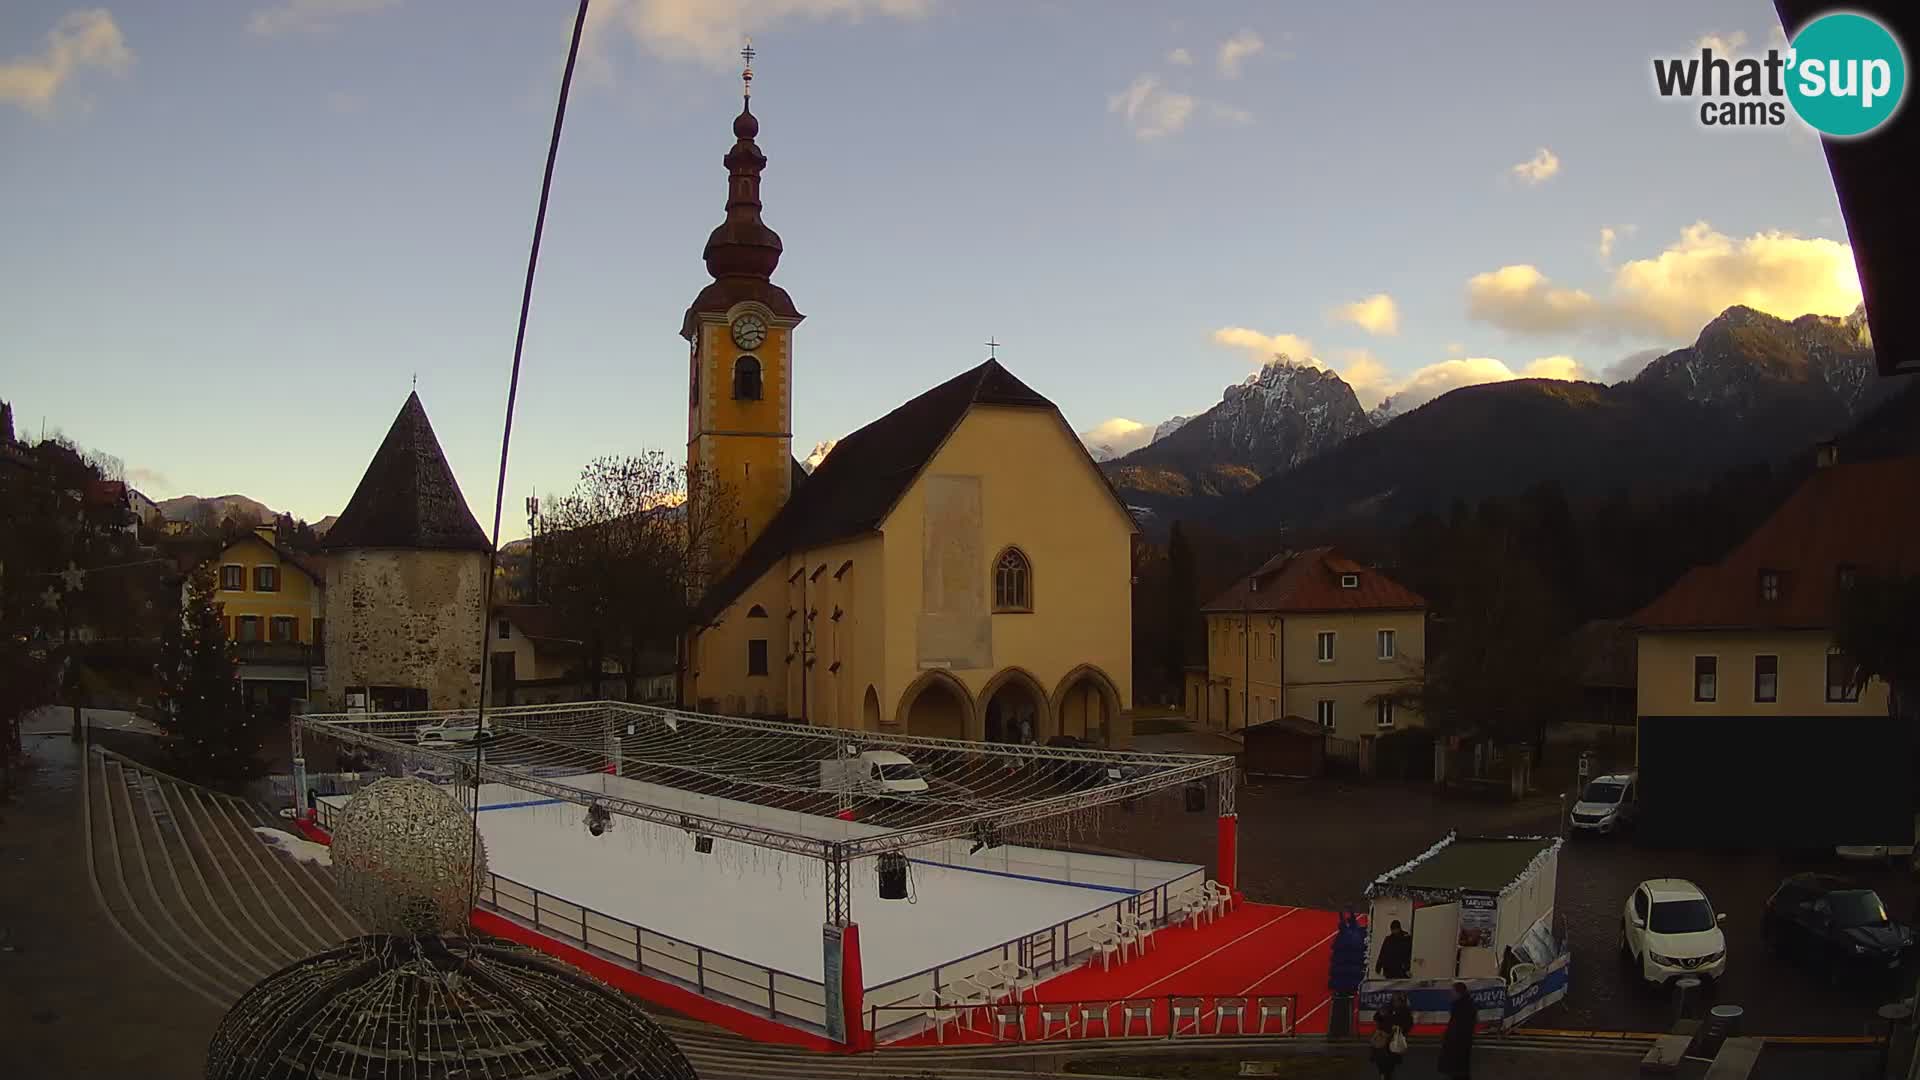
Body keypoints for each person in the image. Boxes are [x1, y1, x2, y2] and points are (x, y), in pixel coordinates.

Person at [1439, 981, 1477, 1079]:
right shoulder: (1464, 1005)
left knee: (1459, 1073)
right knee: (1459, 1072)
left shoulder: (1462, 1007)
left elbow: (1458, 1027)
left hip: (1458, 1044)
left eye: (1453, 992)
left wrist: (1449, 1039)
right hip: (1459, 1044)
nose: (1451, 994)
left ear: (1458, 992)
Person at [1370, 991, 1414, 1078]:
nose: (1396, 1001)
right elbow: (1376, 1017)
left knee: (1390, 1061)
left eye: (1398, 999)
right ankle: (1383, 1073)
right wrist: (1380, 1014)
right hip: (1382, 1036)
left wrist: (1401, 1028)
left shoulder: (1405, 1010)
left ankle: (1386, 1074)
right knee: (1380, 1058)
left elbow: (1408, 1024)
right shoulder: (1387, 1007)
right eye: (1394, 999)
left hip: (1393, 1037)